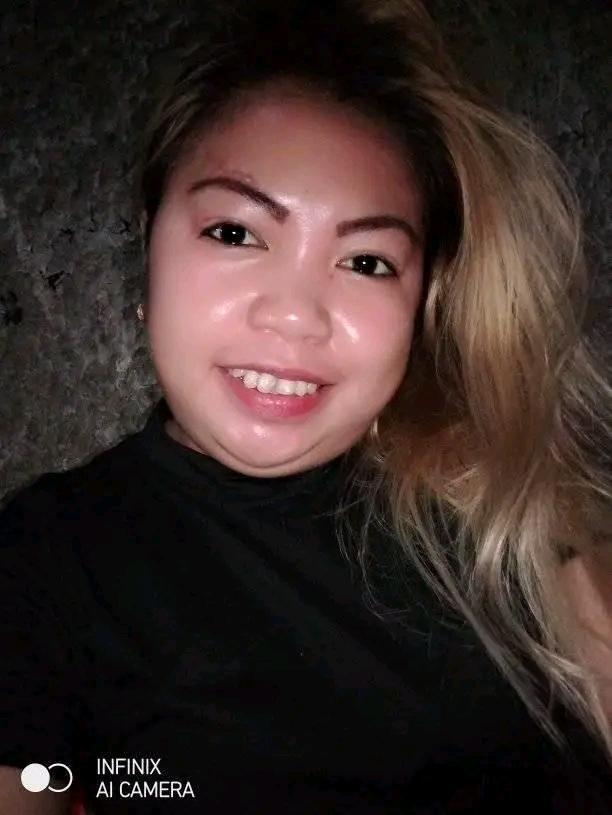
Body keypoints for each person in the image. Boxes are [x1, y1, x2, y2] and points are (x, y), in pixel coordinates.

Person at [1, 0, 611, 812]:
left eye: (366, 261)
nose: (295, 315)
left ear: (423, 299)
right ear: (149, 244)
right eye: (235, 233)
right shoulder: (48, 561)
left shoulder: (515, 512)